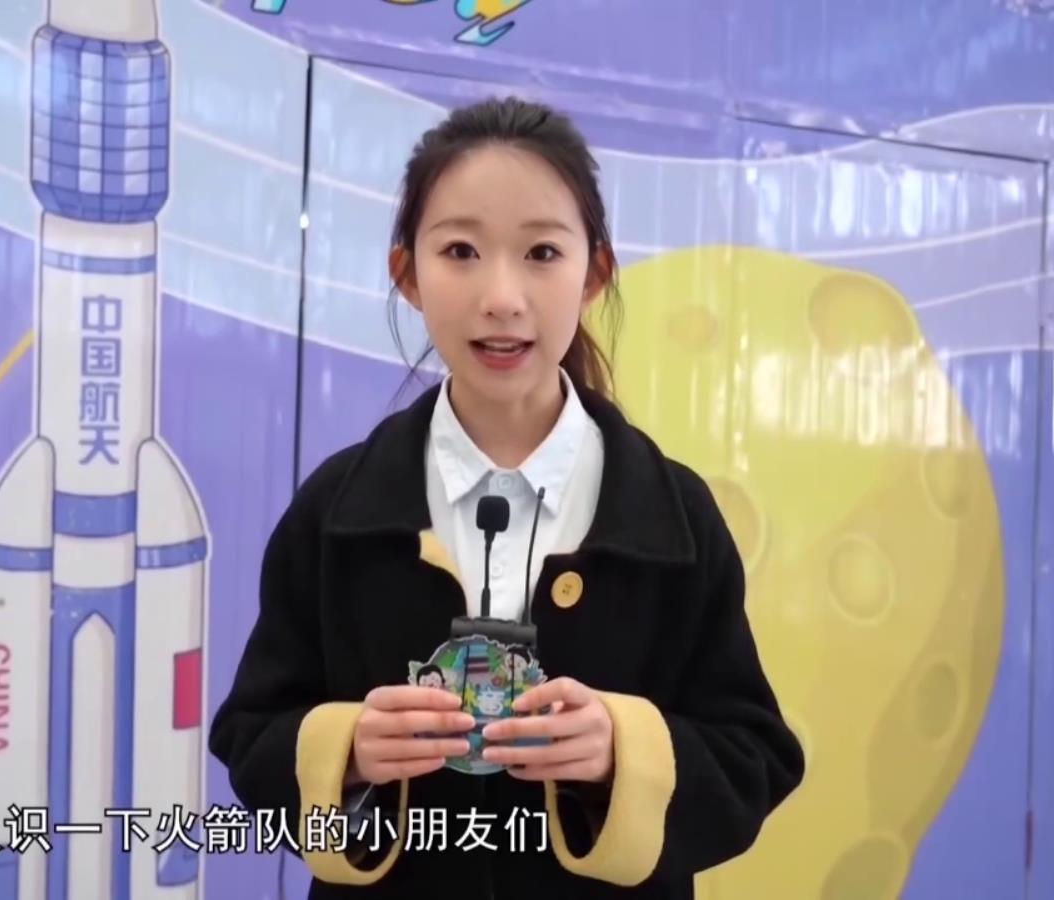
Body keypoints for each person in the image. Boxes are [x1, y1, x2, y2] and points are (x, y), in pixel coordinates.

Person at [207, 95, 804, 898]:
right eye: (460, 250)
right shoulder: (337, 510)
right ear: (407, 275)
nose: (501, 297)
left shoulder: (675, 517)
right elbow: (250, 735)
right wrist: (347, 750)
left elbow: (754, 757)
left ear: (594, 273)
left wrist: (618, 751)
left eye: (542, 253)